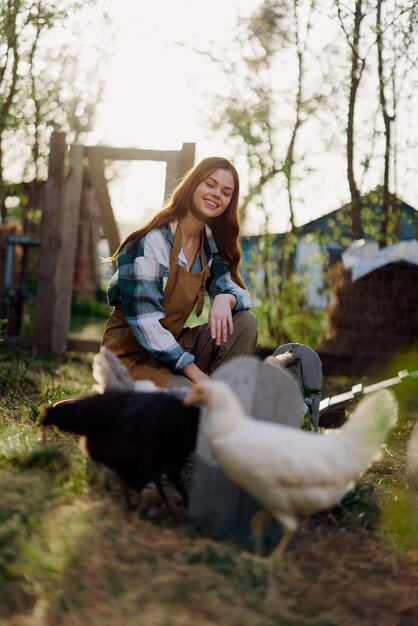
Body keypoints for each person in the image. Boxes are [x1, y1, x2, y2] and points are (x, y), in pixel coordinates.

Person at [101, 156, 258, 388]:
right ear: (193, 184)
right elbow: (147, 325)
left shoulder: (209, 245)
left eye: (226, 192)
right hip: (128, 359)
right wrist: (196, 375)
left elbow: (240, 294)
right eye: (210, 184)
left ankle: (225, 401)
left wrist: (226, 297)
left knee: (246, 323)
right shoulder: (154, 241)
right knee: (188, 396)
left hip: (173, 350)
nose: (217, 194)